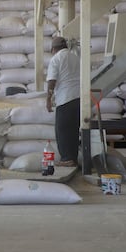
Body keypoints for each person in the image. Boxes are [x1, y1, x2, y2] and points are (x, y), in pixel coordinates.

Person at [46, 36, 80, 167]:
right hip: (78, 99)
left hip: (65, 99)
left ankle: (66, 159)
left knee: (62, 130)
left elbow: (52, 80)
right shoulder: (76, 58)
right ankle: (73, 158)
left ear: (53, 49)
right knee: (74, 130)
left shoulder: (56, 58)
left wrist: (48, 99)